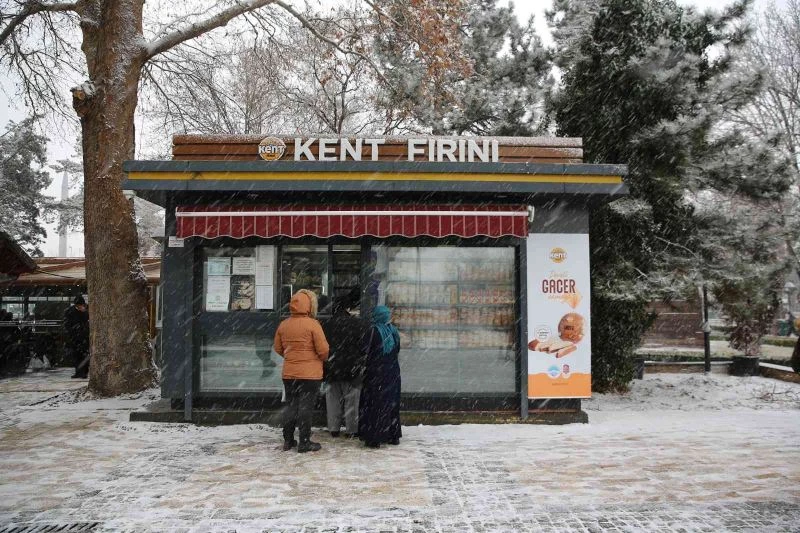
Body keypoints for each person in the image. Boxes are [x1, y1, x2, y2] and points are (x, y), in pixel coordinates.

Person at [273, 289, 329, 453]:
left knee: (291, 406)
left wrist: (291, 356)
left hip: (290, 374)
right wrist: (317, 358)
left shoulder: (284, 324)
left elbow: (278, 348)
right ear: (310, 305)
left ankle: (288, 440)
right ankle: (304, 441)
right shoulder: (313, 324)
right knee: (306, 408)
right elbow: (324, 350)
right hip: (310, 375)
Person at [321, 299, 369, 438]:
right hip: (351, 368)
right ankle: (351, 430)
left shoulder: (326, 325)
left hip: (331, 368)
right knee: (352, 401)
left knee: (332, 400)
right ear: (347, 309)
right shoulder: (357, 324)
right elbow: (363, 347)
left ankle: (333, 428)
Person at [359, 305, 402, 448]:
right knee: (391, 403)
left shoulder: (372, 331)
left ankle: (374, 437)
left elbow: (364, 350)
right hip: (392, 372)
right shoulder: (394, 332)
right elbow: (397, 350)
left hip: (375, 373)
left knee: (374, 404)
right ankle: (392, 434)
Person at [64, 296, 90, 379]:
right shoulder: (70, 311)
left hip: (83, 336)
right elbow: (67, 324)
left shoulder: (85, 311)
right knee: (76, 356)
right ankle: (78, 372)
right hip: (75, 337)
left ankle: (84, 372)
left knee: (83, 355)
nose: (80, 306)